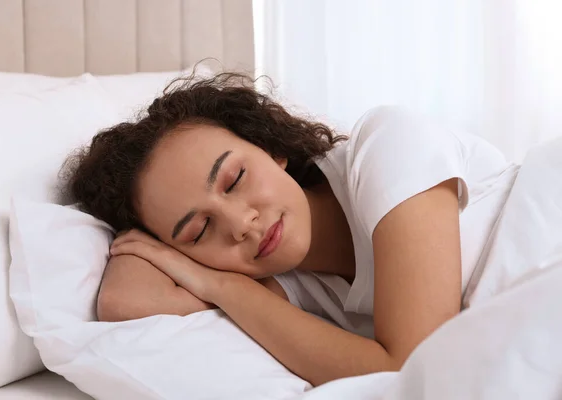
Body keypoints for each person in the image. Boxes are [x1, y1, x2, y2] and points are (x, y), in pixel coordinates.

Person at [62, 70, 519, 386]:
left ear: (270, 147)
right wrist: (211, 276)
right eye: (199, 230)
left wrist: (220, 284)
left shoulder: (388, 145)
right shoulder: (286, 287)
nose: (242, 224)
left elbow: (416, 369)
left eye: (235, 179)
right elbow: (124, 302)